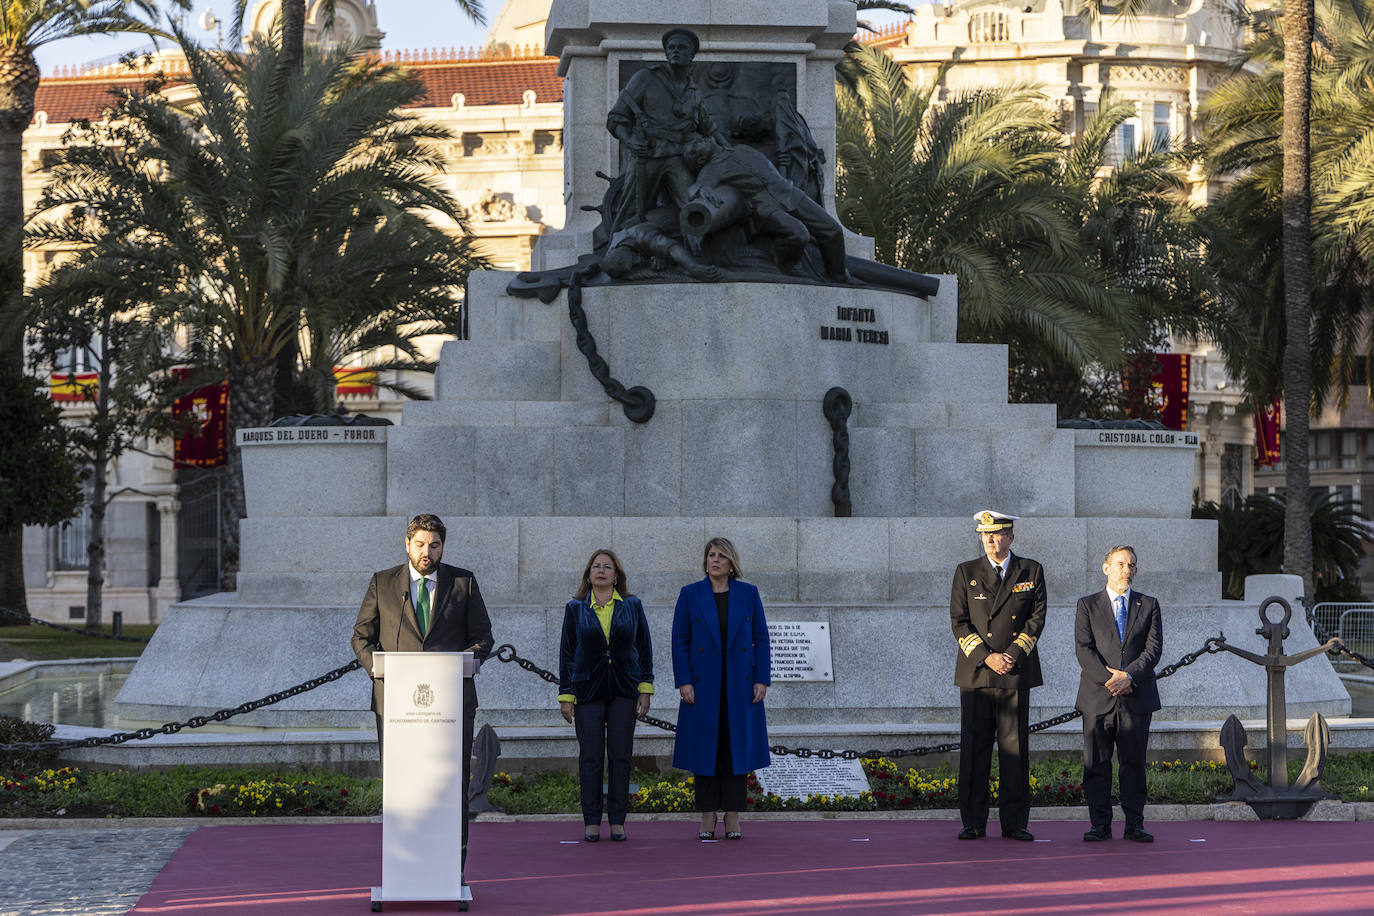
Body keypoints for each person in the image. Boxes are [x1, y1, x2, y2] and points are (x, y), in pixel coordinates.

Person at [350, 513, 494, 869]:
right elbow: (361, 637)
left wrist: (466, 661)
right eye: (420, 544)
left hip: (451, 704)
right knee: (402, 786)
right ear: (407, 544)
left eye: (434, 545)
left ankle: (452, 866)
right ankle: (404, 866)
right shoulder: (383, 583)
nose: (426, 552)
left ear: (443, 545)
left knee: (452, 784)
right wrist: (378, 670)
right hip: (396, 703)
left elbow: (482, 638)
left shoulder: (464, 582)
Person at [949, 510, 1047, 841]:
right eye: (985, 535)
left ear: (1011, 537)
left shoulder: (1030, 570)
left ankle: (1015, 822)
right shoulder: (966, 572)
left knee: (1014, 749)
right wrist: (985, 656)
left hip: (1014, 672)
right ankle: (973, 821)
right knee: (974, 750)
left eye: (997, 534)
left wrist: (1011, 655)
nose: (990, 540)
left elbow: (1036, 619)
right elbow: (959, 621)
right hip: (977, 674)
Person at [671, 537, 771, 840]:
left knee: (735, 750)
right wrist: (684, 680)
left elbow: (761, 639)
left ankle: (732, 816)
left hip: (740, 686)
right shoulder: (690, 594)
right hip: (703, 687)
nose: (714, 560)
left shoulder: (748, 594)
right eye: (710, 555)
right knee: (706, 751)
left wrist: (762, 678)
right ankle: (706, 816)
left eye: (720, 556)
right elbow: (679, 640)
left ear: (731, 563)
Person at [557, 549, 655, 843]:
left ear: (616, 575)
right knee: (590, 757)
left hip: (625, 690)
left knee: (621, 756)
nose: (601, 571)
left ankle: (617, 820)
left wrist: (645, 688)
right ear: (589, 575)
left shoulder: (632, 606)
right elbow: (567, 654)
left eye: (607, 567)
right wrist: (566, 694)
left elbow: (645, 649)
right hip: (588, 690)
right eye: (596, 567)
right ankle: (590, 820)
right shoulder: (575, 608)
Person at [1075, 545, 1163, 843]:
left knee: (1134, 765)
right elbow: (1084, 649)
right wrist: (1110, 679)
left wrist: (1129, 677)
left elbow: (1153, 650)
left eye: (1132, 565)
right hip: (1098, 698)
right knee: (1096, 764)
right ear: (1106, 568)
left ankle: (1134, 825)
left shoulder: (1149, 605)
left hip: (1136, 698)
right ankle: (1099, 825)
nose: (1127, 570)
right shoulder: (1087, 605)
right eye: (1121, 564)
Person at [682, 136, 849, 282]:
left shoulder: (740, 148)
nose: (699, 140)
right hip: (763, 205)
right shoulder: (710, 170)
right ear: (700, 160)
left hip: (788, 192)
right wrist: (701, 190)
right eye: (695, 146)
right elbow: (695, 188)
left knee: (833, 231)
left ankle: (839, 277)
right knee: (798, 234)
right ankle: (783, 263)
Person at [606, 28, 723, 230]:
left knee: (694, 209)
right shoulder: (645, 78)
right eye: (671, 47)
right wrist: (629, 141)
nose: (675, 51)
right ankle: (619, 250)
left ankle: (693, 253)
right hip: (647, 156)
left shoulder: (694, 92)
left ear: (692, 55)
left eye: (681, 48)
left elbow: (709, 129)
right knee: (632, 211)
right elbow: (617, 118)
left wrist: (731, 152)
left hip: (678, 157)